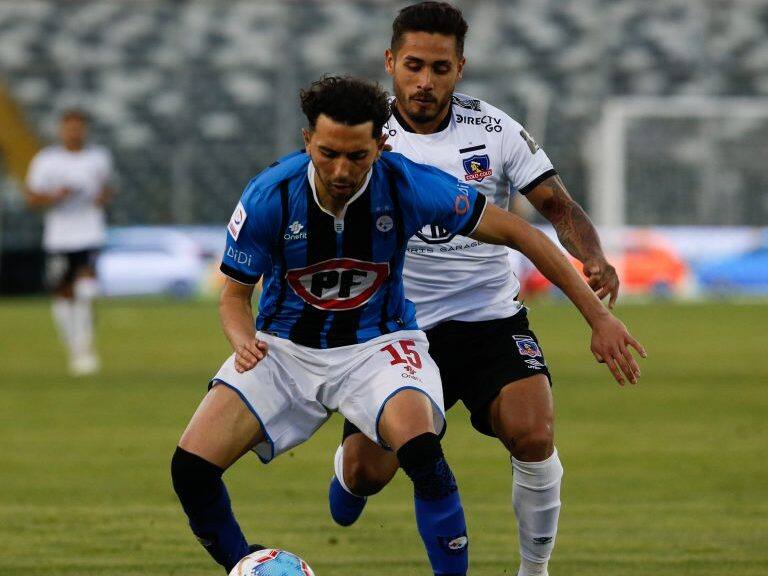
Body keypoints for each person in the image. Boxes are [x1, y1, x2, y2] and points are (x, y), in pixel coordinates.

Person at [171, 75, 642, 575]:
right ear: (308, 140)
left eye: (357, 156)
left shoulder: (407, 183)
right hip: (283, 350)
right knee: (191, 469)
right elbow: (233, 297)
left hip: (378, 346)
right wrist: (242, 340)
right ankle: (246, 565)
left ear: (381, 143)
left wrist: (598, 316)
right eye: (328, 153)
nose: (341, 170)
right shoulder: (269, 196)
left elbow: (521, 233)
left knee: (423, 453)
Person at [327, 4, 628, 576]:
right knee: (370, 472)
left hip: (489, 317)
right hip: (399, 328)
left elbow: (556, 207)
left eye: (440, 68)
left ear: (459, 68)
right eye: (413, 65)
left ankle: (533, 572)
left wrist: (592, 255)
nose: (425, 81)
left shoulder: (493, 129)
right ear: (390, 62)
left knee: (533, 433)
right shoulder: (365, 138)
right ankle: (346, 471)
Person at [25, 109, 113, 376]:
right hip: (60, 236)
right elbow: (32, 198)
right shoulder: (47, 160)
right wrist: (55, 196)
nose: (74, 132)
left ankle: (85, 347)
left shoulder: (98, 158)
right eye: (69, 127)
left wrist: (101, 197)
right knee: (64, 293)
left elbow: (107, 188)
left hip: (90, 232)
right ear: (61, 130)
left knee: (87, 288)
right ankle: (74, 346)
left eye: (79, 127)